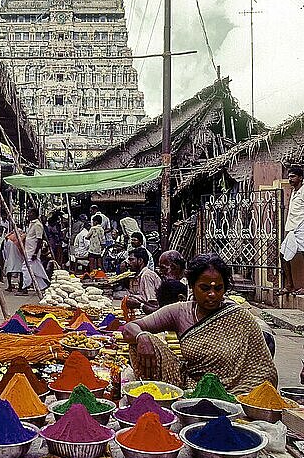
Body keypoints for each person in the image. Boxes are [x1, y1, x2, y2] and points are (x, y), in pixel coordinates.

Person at [123, 253, 278, 393]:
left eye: (218, 288)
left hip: (239, 392)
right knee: (140, 342)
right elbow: (130, 328)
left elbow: (263, 369)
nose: (212, 294)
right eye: (204, 288)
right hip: (193, 388)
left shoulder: (238, 315)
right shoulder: (180, 311)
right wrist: (142, 337)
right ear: (192, 286)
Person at [279, 165, 304, 294]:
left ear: (300, 178)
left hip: (302, 227)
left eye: (293, 176)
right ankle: (289, 285)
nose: (290, 179)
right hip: (293, 229)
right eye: (289, 177)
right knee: (284, 254)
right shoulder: (294, 191)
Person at [126, 247, 162, 314]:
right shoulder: (142, 275)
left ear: (140, 261)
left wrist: (139, 304)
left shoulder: (146, 276)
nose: (128, 263)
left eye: (131, 260)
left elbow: (153, 303)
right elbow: (145, 297)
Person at [21, 208, 50, 292]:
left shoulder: (37, 225)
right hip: (29, 250)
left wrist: (35, 253)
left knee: (26, 268)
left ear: (34, 214)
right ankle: (43, 285)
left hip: (32, 251)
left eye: (29, 213)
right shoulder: (31, 224)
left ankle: (25, 287)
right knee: (35, 269)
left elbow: (40, 240)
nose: (28, 215)